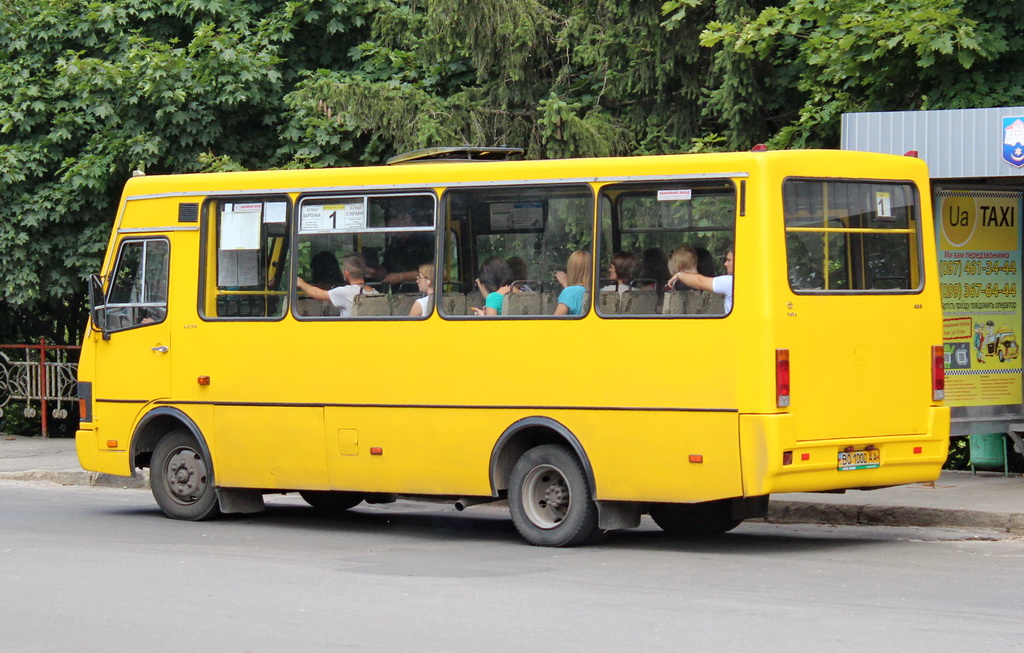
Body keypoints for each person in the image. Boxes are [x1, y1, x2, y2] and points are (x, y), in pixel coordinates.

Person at [296, 253, 378, 317]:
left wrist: (301, 283)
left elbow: (317, 294)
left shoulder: (345, 292)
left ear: (346, 273)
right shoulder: (376, 293)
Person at [667, 245, 734, 312]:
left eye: (729, 260)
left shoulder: (731, 282)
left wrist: (679, 275)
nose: (725, 264)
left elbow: (700, 282)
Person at [553, 250, 591, 316]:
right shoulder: (598, 292)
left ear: (571, 269)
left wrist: (568, 289)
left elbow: (555, 322)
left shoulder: (569, 292)